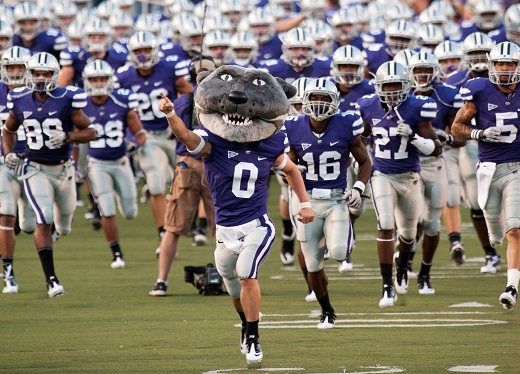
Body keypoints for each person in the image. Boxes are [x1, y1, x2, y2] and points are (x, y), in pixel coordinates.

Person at [157, 65, 314, 367]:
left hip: (257, 226)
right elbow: (187, 137)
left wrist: (304, 203)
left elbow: (291, 169)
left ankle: (254, 337)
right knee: (231, 283)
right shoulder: (214, 145)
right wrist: (170, 114)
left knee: (246, 274)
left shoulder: (269, 144)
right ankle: (246, 324)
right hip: (225, 231)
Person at [2, 52, 96, 298]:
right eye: (36, 73)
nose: (41, 78)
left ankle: (54, 237)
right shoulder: (20, 99)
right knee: (42, 218)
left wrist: (69, 136)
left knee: (63, 226)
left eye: (46, 73)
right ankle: (51, 280)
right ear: (29, 74)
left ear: (55, 75)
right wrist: (8, 153)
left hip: (64, 169)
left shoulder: (66, 100)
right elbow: (8, 129)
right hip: (35, 168)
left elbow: (91, 131)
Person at [285, 77, 371, 327]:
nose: (320, 103)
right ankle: (327, 311)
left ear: (335, 101)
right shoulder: (293, 126)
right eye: (315, 98)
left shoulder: (347, 124)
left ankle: (339, 236)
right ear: (306, 100)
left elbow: (364, 161)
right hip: (307, 201)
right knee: (312, 265)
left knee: (339, 253)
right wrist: (286, 166)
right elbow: (287, 163)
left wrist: (358, 186)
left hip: (336, 200)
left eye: (325, 98)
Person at [357, 61, 441, 307]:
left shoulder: (417, 107)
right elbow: (361, 137)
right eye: (388, 85)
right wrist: (358, 159)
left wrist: (414, 137)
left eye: (397, 85)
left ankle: (402, 265)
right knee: (385, 225)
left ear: (406, 85)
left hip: (410, 176)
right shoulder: (367, 105)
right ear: (378, 86)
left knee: (407, 235)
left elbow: (435, 148)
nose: (392, 90)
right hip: (381, 174)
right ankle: (386, 287)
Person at [452, 41, 520, 310]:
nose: (504, 69)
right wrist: (477, 133)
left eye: (510, 64)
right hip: (488, 169)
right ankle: (493, 242)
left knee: (515, 230)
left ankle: (511, 287)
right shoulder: (479, 90)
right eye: (500, 64)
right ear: (492, 66)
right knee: (496, 233)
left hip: (517, 167)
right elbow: (457, 126)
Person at [114, 31, 193, 256]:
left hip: (172, 132)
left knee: (180, 180)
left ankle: (196, 227)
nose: (142, 55)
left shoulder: (169, 69)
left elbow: (190, 96)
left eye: (146, 50)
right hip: (146, 136)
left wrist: (182, 118)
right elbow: (116, 106)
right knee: (157, 184)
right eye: (138, 51)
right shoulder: (123, 76)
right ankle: (163, 234)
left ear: (155, 50)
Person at [149, 57, 217, 296]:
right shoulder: (221, 100)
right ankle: (230, 276)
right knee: (216, 225)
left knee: (175, 227)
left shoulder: (185, 100)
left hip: (194, 164)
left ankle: (162, 281)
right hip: (209, 164)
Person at [82, 59, 146, 269]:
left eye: (102, 79)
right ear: (87, 81)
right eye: (94, 79)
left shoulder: (121, 101)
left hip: (120, 162)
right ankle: (116, 253)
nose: (99, 83)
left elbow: (139, 133)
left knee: (130, 212)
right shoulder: (80, 104)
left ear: (110, 80)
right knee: (107, 209)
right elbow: (75, 138)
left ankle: (118, 194)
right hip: (97, 164)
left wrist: (136, 145)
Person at [446, 32, 499, 271]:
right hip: (473, 144)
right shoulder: (455, 82)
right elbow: (449, 118)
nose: (478, 59)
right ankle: (490, 253)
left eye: (483, 54)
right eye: (474, 55)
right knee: (477, 201)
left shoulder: (507, 77)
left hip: (510, 144)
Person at [0, 46, 36, 294]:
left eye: (19, 67)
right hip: (3, 162)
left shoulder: (39, 92)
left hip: (33, 161)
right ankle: (8, 273)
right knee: (7, 214)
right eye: (10, 67)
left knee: (29, 225)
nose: (14, 72)